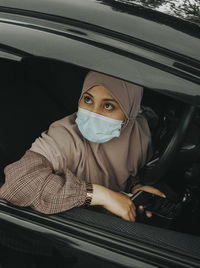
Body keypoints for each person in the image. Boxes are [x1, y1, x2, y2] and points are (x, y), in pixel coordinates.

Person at [0, 71, 164, 222]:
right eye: (88, 100)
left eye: (108, 106)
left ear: (130, 112)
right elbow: (18, 184)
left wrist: (136, 189)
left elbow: (127, 173)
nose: (93, 113)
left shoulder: (138, 134)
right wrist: (99, 195)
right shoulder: (65, 136)